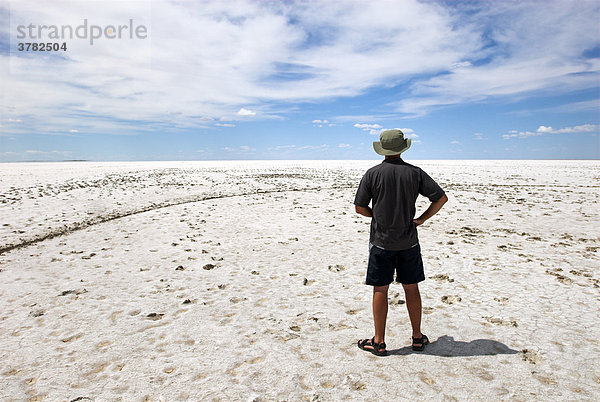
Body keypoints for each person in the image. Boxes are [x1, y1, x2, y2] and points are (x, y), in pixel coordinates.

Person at [354, 129, 447, 356]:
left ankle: (379, 341)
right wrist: (421, 219)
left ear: (383, 149)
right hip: (408, 242)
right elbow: (440, 198)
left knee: (380, 289)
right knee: (411, 287)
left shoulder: (372, 174)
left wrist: (376, 216)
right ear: (403, 147)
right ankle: (417, 337)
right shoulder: (414, 173)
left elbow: (359, 207)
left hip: (381, 242)